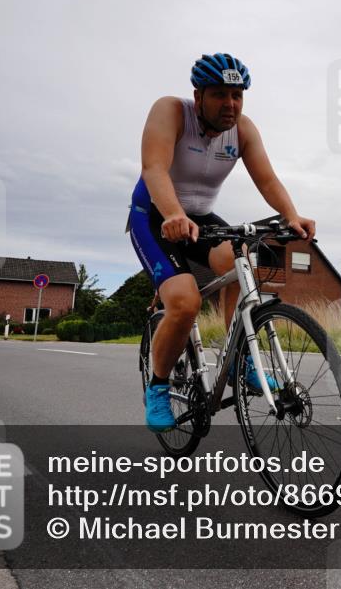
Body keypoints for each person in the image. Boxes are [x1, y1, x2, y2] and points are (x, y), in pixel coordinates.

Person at [128, 53, 315, 432]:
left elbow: (267, 180)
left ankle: (242, 362)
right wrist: (173, 215)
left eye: (237, 95)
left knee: (240, 259)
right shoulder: (171, 111)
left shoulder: (243, 130)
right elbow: (154, 168)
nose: (230, 104)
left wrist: (291, 216)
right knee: (185, 303)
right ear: (198, 96)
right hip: (154, 214)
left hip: (201, 218)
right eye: (219, 95)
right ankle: (159, 387)